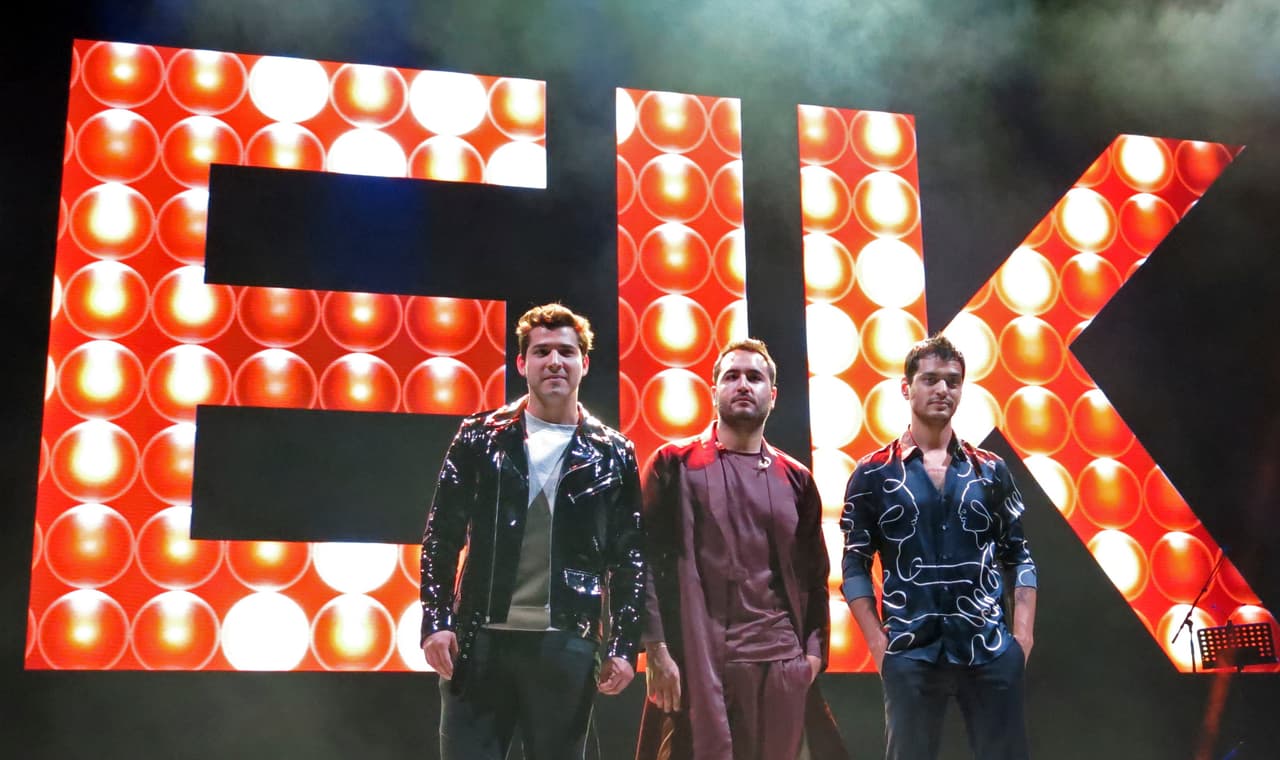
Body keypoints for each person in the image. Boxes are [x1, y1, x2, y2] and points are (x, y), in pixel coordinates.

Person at [419, 303, 645, 760]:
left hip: (567, 641)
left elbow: (629, 558)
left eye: (566, 351)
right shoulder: (480, 436)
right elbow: (441, 536)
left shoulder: (613, 452)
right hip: (480, 640)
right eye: (542, 352)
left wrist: (624, 646)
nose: (554, 361)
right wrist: (436, 622)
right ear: (522, 363)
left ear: (585, 362)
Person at [636, 338, 846, 760]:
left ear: (773, 394)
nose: (744, 385)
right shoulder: (674, 464)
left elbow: (814, 575)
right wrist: (656, 650)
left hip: (781, 666)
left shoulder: (796, 479)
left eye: (755, 377)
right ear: (714, 392)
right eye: (732, 376)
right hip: (699, 663)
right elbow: (641, 562)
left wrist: (811, 656)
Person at [841, 334, 1037, 760]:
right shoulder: (873, 473)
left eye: (952, 380)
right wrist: (876, 643)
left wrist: (1022, 638)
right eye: (930, 379)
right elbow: (854, 564)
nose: (943, 389)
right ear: (906, 387)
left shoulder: (991, 470)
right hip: (910, 650)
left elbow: (1019, 555)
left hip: (988, 646)